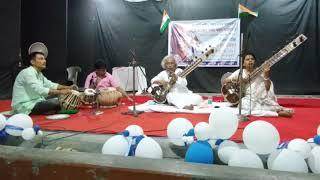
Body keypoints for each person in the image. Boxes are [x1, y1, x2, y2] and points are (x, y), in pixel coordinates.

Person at [11, 42, 76, 115]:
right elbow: (40, 90)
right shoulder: (28, 72)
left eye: (44, 59)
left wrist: (68, 87)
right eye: (41, 59)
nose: (44, 61)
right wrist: (61, 92)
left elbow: (50, 84)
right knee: (55, 101)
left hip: (36, 100)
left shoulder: (39, 74)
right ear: (32, 62)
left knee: (56, 96)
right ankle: (56, 108)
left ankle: (53, 109)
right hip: (24, 105)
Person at [224, 52, 293, 117]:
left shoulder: (260, 71)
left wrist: (266, 75)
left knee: (262, 106)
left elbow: (267, 88)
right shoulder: (240, 72)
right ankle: (276, 113)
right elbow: (225, 81)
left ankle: (276, 111)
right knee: (242, 107)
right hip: (249, 98)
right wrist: (236, 80)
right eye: (247, 59)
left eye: (252, 59)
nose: (250, 61)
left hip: (261, 98)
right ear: (243, 63)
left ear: (254, 62)